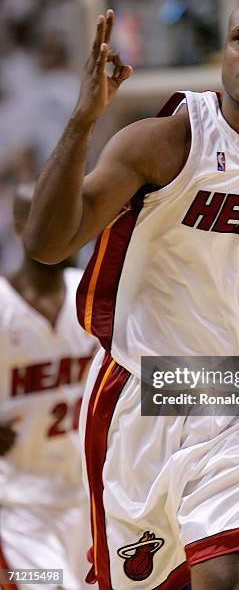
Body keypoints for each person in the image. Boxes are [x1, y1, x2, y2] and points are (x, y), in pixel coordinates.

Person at [25, 0, 239, 590]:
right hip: (148, 389)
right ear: (223, 50)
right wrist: (84, 119)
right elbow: (47, 244)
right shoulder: (163, 140)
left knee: (237, 577)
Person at [0, 183, 97, 589]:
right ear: (21, 229)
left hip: (94, 502)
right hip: (20, 507)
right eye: (51, 217)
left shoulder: (94, 293)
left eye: (72, 216)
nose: (65, 228)